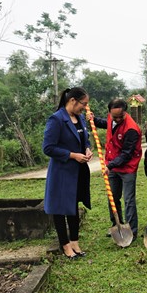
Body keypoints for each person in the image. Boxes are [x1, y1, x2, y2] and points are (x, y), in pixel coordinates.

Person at [43, 87, 92, 259]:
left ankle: (75, 242)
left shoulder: (79, 119)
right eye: (83, 104)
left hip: (78, 171)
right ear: (72, 101)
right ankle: (65, 245)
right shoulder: (56, 119)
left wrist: (87, 149)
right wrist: (72, 155)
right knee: (60, 208)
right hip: (62, 172)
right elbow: (48, 148)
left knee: (73, 205)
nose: (85, 108)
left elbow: (85, 140)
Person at [93, 98, 142, 239]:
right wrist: (93, 120)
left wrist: (110, 165)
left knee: (129, 200)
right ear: (110, 112)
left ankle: (132, 230)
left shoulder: (131, 129)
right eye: (115, 117)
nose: (118, 119)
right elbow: (106, 123)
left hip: (127, 168)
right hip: (112, 165)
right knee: (113, 197)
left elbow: (126, 154)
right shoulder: (111, 118)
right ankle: (116, 225)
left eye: (121, 116)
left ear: (125, 112)